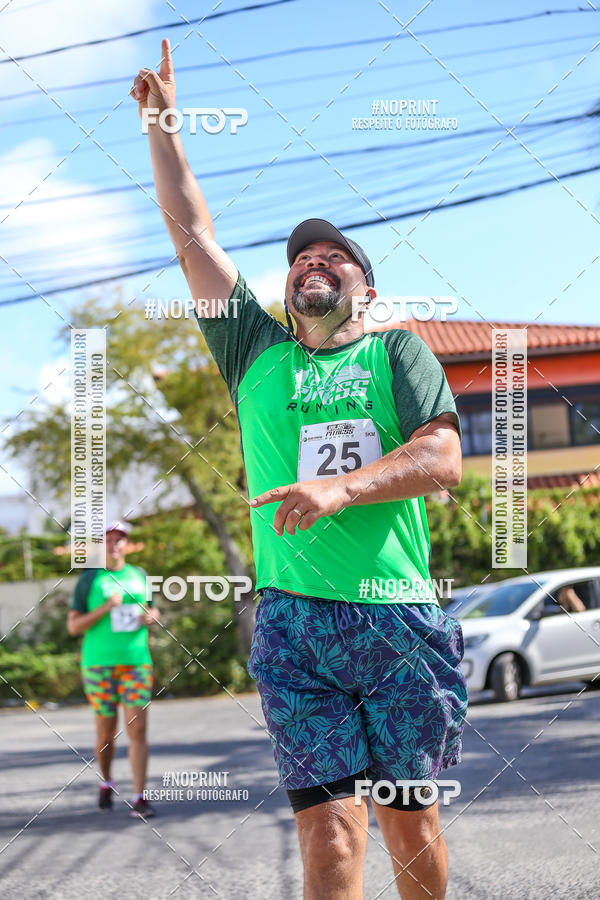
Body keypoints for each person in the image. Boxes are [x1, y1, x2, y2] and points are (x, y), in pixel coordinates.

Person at [132, 40, 467, 898]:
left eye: (334, 257)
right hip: (294, 628)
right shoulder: (253, 352)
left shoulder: (398, 351)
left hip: (398, 622)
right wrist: (166, 130)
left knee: (411, 823)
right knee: (326, 837)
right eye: (301, 260)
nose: (313, 261)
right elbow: (193, 234)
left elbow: (442, 457)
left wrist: (341, 488)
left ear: (367, 289)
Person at [67, 521, 160, 818]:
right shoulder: (90, 579)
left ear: (127, 544)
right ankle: (106, 781)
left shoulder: (139, 575)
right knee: (106, 733)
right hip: (98, 665)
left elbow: (152, 609)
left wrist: (152, 616)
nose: (114, 544)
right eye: (108, 539)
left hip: (136, 663)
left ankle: (139, 797)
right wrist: (106, 607)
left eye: (119, 539)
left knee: (138, 728)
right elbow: (73, 625)